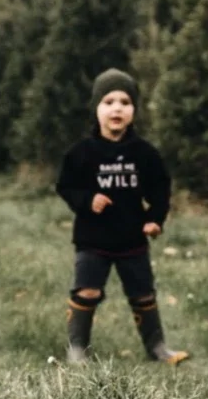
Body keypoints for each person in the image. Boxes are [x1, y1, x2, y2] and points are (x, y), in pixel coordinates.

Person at [55, 69, 188, 365]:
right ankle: (78, 351)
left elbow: (160, 188)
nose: (117, 108)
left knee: (143, 294)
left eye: (125, 102)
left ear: (134, 111)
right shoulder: (82, 152)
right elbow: (65, 186)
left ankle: (158, 348)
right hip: (92, 239)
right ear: (96, 109)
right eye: (109, 101)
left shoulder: (145, 153)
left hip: (132, 239)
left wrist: (155, 219)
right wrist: (87, 199)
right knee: (87, 291)